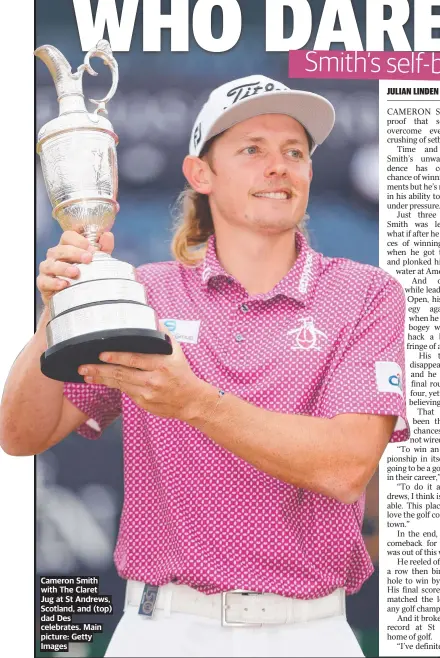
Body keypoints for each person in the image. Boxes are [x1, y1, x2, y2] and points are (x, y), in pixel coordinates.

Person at [0, 75, 409, 657]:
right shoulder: (147, 291)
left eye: (294, 152)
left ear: (310, 174)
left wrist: (193, 402)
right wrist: (57, 312)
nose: (279, 166)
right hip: (161, 629)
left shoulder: (366, 292)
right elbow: (21, 434)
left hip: (311, 633)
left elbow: (345, 468)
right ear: (201, 175)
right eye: (253, 150)